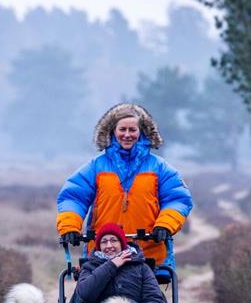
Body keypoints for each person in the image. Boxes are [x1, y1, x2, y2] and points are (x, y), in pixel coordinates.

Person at [56, 103, 193, 266]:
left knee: (149, 292)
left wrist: (164, 225)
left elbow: (178, 199)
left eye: (132, 130)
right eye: (122, 129)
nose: (127, 135)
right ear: (113, 131)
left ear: (141, 132)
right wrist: (70, 227)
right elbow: (73, 197)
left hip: (148, 255)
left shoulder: (160, 168)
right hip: (102, 254)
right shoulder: (95, 167)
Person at [73, 223, 172, 303]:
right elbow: (84, 295)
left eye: (114, 240)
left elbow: (155, 300)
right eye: (104, 242)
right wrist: (111, 265)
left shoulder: (141, 267)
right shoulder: (89, 267)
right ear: (99, 246)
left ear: (122, 244)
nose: (109, 246)